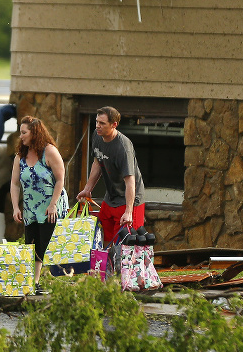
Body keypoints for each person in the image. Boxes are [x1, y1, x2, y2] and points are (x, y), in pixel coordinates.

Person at [76, 106, 151, 246]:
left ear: (114, 125)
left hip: (129, 200)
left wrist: (129, 212)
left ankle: (126, 268)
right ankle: (107, 267)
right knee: (104, 237)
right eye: (97, 122)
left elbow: (130, 181)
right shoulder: (97, 136)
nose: (98, 126)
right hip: (111, 197)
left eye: (102, 123)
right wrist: (88, 188)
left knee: (125, 243)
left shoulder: (123, 147)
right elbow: (97, 162)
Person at [10, 116, 69, 294]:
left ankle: (50, 281)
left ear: (34, 133)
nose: (21, 136)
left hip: (49, 208)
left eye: (24, 133)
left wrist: (53, 205)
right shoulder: (20, 156)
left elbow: (60, 180)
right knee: (32, 244)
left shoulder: (49, 152)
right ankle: (35, 282)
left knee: (47, 244)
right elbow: (14, 183)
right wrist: (15, 207)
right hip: (30, 209)